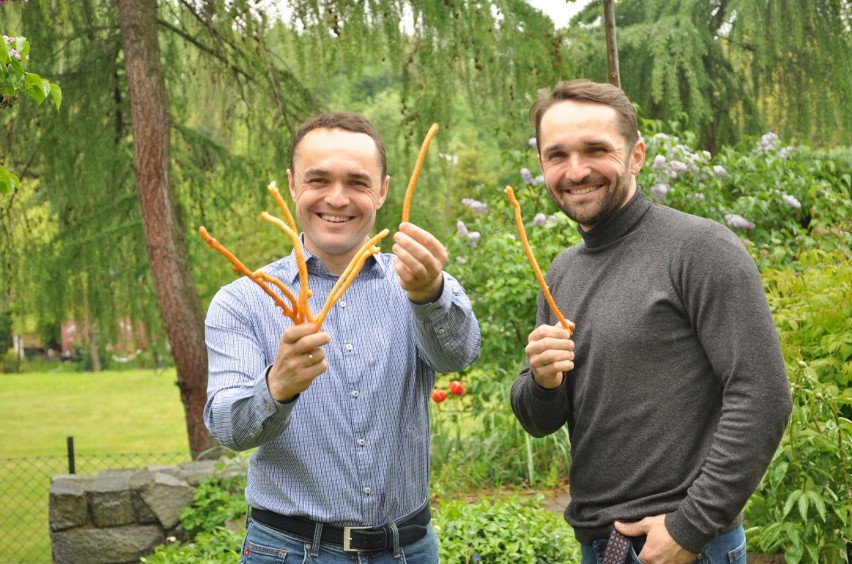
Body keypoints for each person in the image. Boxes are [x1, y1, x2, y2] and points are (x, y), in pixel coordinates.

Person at [510, 79, 792, 564]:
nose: (575, 171)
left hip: (682, 546)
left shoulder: (700, 249)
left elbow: (762, 395)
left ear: (636, 154)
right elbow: (540, 419)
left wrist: (692, 526)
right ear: (542, 165)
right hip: (599, 547)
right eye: (557, 155)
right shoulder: (562, 270)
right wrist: (542, 380)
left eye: (595, 149)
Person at [204, 112, 481, 563]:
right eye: (318, 180)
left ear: (383, 190)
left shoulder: (418, 280)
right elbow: (228, 430)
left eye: (357, 182)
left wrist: (430, 295)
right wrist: (276, 388)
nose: (337, 198)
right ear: (292, 185)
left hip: (408, 550)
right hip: (290, 552)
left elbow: (459, 356)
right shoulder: (242, 302)